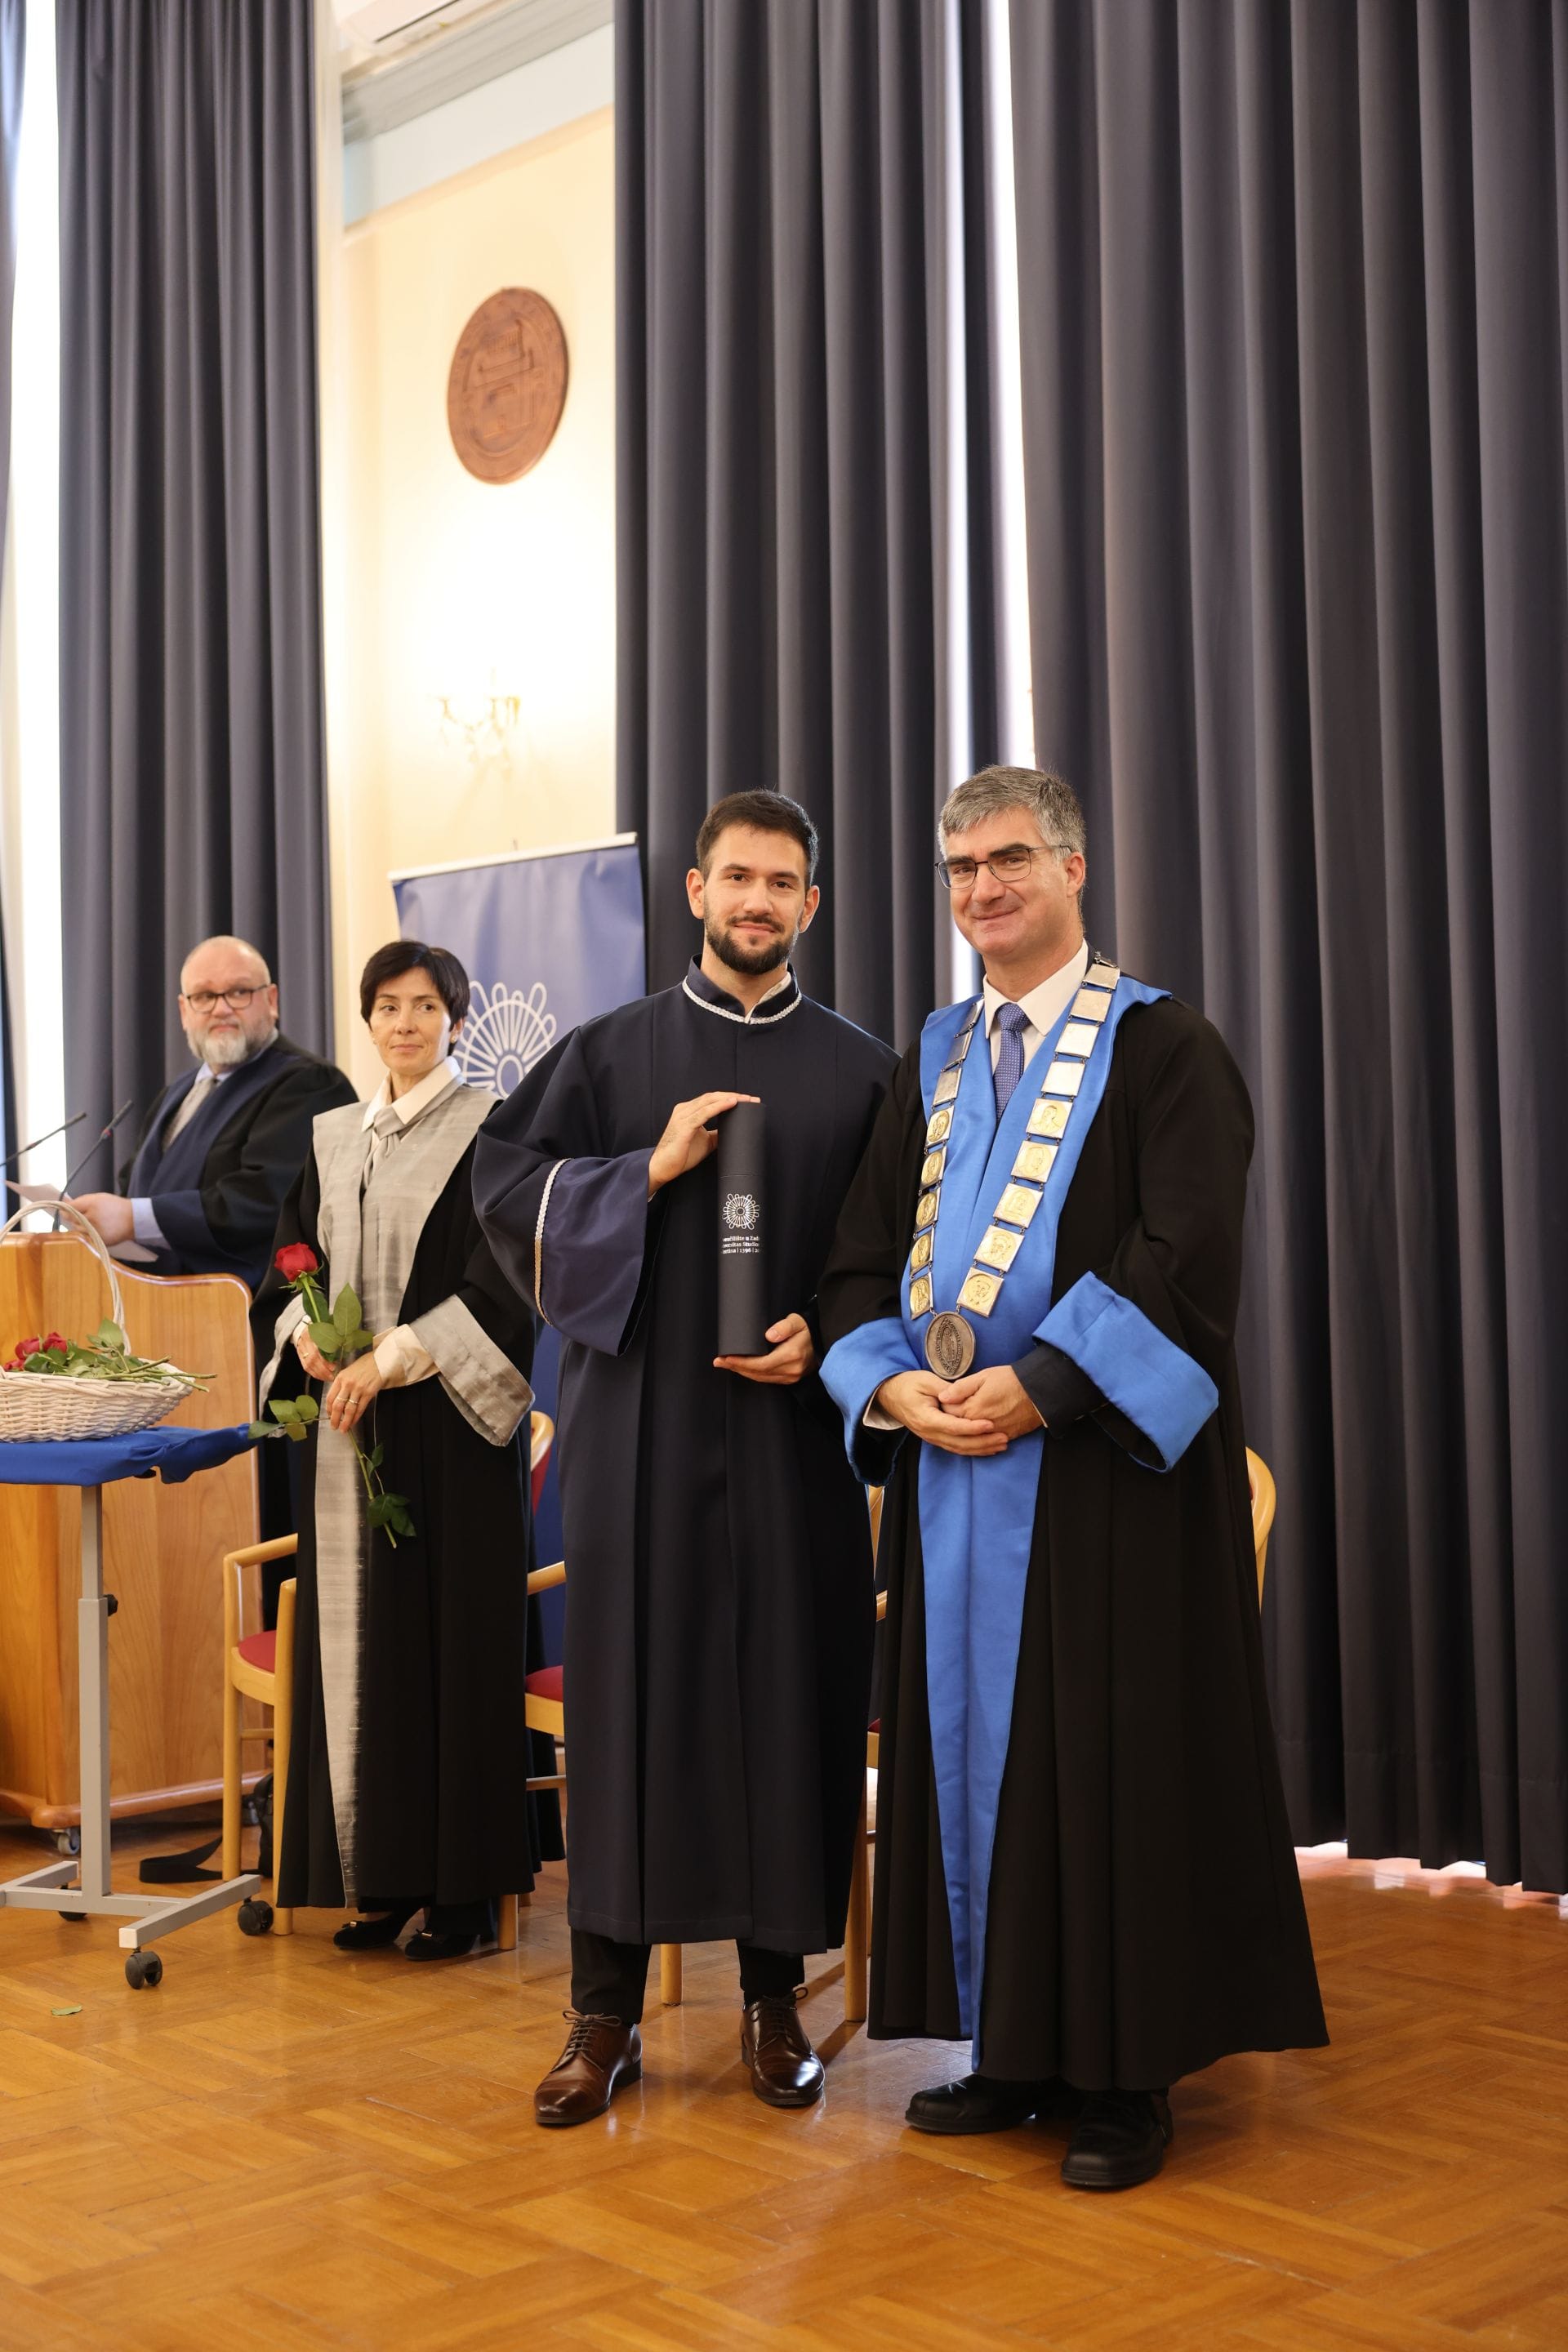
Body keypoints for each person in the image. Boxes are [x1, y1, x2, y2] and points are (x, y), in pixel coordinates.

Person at [818, 764, 1326, 2191]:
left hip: (1106, 1485)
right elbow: (860, 1255)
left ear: (1073, 870)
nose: (983, 888)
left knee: (1110, 1766)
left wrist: (1045, 1385)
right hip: (952, 1473)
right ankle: (1014, 2048)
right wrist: (891, 1384)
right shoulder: (931, 1058)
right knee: (984, 1762)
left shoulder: (1163, 1046)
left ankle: (1127, 2074)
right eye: (961, 867)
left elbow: (1187, 1253)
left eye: (1010, 860)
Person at [474, 789, 897, 2123]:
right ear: (698, 892)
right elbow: (503, 1192)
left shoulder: (867, 1073)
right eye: (737, 878)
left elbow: (893, 1252)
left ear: (810, 905)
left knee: (788, 1701)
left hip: (789, 1441)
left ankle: (775, 2003)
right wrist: (642, 1173)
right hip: (639, 1432)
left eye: (782, 882)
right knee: (626, 1704)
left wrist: (829, 1333)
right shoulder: (608, 1055)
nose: (757, 901)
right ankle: (602, 2014)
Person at [256, 940, 559, 1958]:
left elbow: (503, 1284)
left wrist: (385, 1363)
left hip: (448, 1433)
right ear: (367, 1018)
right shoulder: (334, 1136)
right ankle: (378, 1880)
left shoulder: (493, 1131)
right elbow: (289, 1261)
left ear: (457, 1020)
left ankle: (462, 1897)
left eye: (426, 1006)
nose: (404, 1024)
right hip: (348, 1436)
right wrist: (305, 1338)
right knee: (366, 1653)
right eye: (387, 1006)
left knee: (447, 1650)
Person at [74, 934, 356, 1292]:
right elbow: (138, 1185)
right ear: (184, 1011)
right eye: (204, 996)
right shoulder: (178, 1093)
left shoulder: (310, 1084)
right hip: (149, 1300)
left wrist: (133, 1218)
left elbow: (266, 1200)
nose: (221, 1009)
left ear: (271, 1000)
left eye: (239, 992)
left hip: (246, 1309)